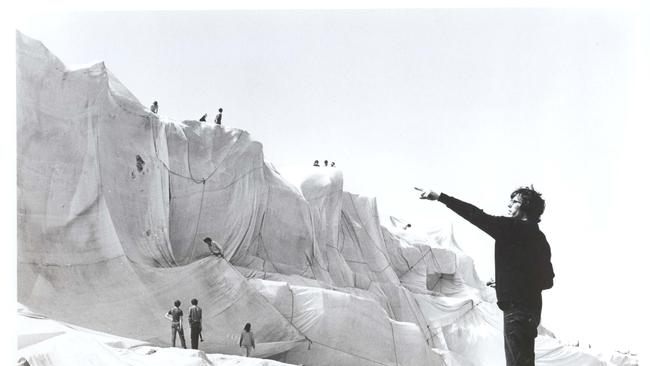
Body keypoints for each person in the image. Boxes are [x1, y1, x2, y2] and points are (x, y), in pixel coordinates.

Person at [417, 186, 553, 366]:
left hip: (516, 310)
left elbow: (476, 215)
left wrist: (441, 197)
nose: (509, 204)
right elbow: (547, 280)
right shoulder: (540, 239)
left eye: (514, 201)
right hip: (532, 312)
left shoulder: (511, 227)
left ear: (526, 206)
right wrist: (511, 280)